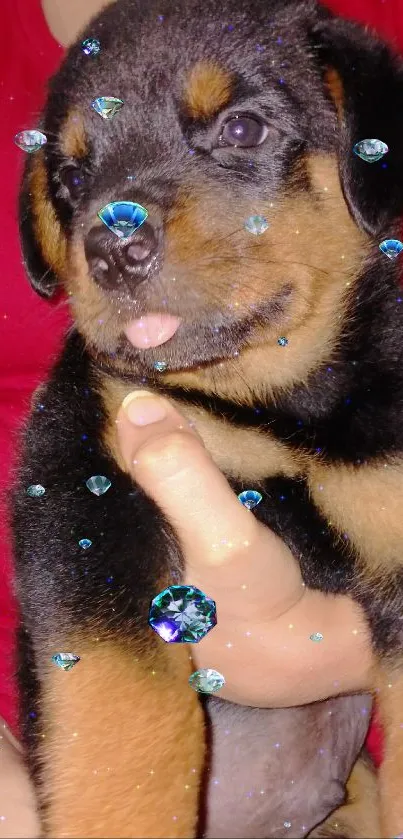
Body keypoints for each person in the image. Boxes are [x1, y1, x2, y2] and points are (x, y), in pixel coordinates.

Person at [2, 0, 402, 834]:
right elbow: (77, 566)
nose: (115, 232)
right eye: (79, 182)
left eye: (241, 133)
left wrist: (320, 646)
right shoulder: (115, 405)